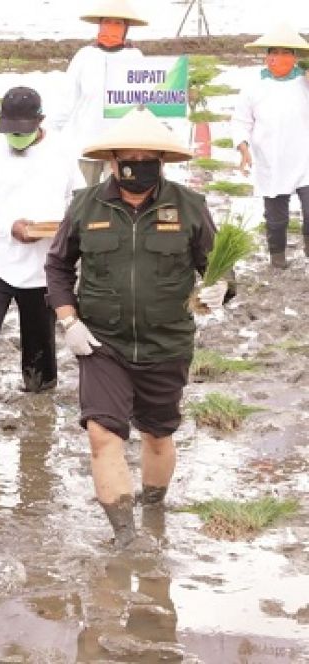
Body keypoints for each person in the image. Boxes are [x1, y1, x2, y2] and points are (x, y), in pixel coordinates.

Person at [45, 107, 233, 547]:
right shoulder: (85, 205)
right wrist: (68, 320)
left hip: (165, 343)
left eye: (148, 158)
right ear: (112, 161)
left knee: (158, 436)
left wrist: (220, 289)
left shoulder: (189, 206)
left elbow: (219, 269)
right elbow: (57, 267)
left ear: (162, 162)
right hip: (101, 343)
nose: (138, 165)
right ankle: (126, 536)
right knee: (102, 434)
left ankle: (153, 507)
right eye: (130, 157)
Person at [0, 86, 84, 393]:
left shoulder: (62, 150)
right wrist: (9, 228)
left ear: (39, 121)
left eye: (22, 132)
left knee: (39, 347)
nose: (16, 138)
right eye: (10, 131)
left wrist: (63, 228)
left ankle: (39, 412)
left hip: (43, 262)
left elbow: (80, 198)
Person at [232, 25, 309, 269]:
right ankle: (277, 257)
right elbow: (241, 121)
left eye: (286, 52)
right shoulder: (254, 87)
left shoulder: (305, 83)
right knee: (276, 218)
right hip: (271, 161)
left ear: (295, 57)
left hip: (305, 158)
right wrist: (243, 149)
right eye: (274, 52)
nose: (279, 58)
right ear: (266, 56)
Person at [52, 0, 148, 185]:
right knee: (82, 198)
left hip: (121, 145)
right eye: (107, 22)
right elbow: (66, 100)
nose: (111, 27)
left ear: (126, 28)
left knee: (118, 199)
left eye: (118, 23)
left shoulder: (135, 58)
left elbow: (146, 103)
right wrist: (51, 134)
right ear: (99, 25)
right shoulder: (84, 56)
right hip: (85, 145)